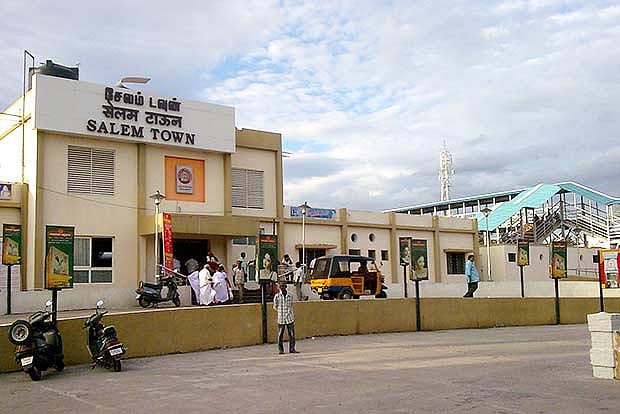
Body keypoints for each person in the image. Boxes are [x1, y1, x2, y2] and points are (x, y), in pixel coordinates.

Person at [273, 281, 298, 354]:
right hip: (281, 318)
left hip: (289, 317)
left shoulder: (290, 295)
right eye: (280, 286)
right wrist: (280, 311)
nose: (282, 288)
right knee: (280, 335)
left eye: (283, 286)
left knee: (292, 334)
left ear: (286, 287)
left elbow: (291, 305)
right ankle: (281, 350)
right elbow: (275, 306)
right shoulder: (277, 296)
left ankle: (292, 349)